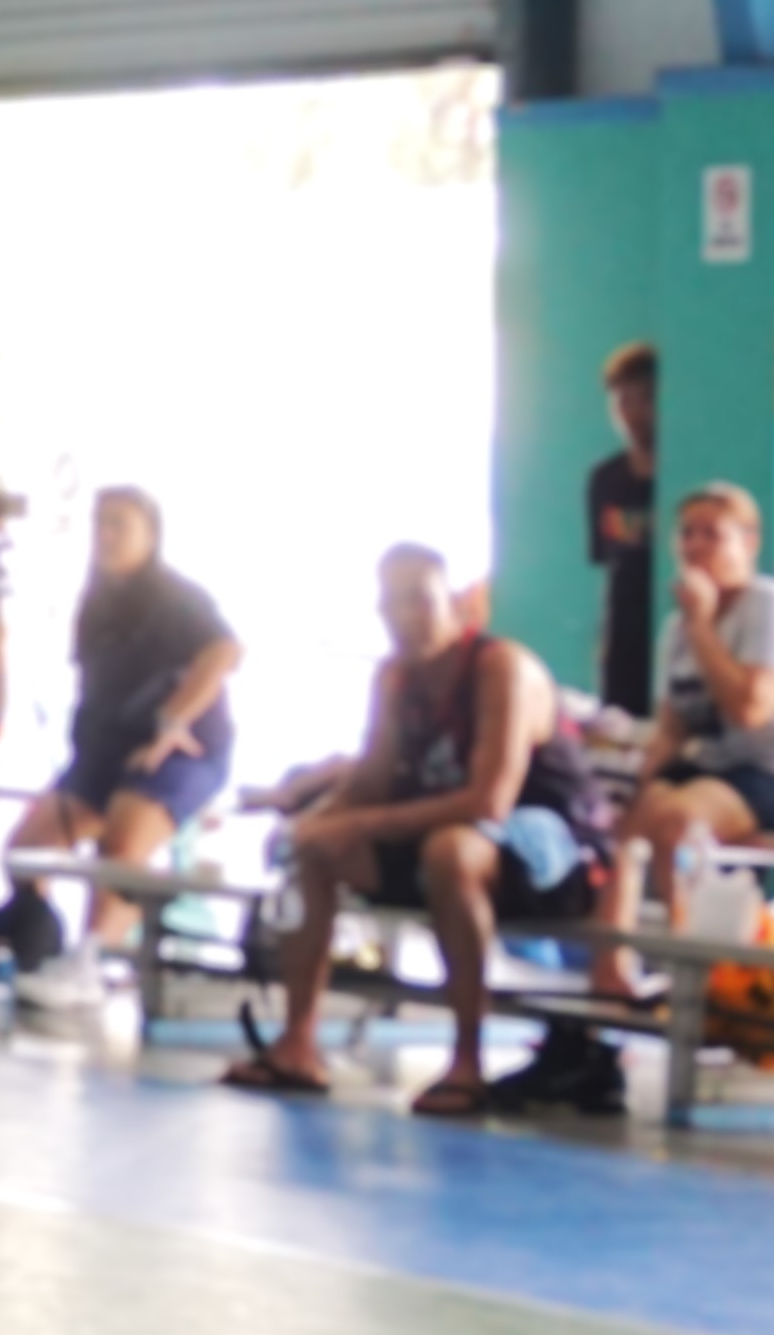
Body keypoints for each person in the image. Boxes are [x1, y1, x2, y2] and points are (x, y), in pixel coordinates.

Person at [228, 547, 609, 1115]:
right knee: (323, 851)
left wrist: (355, 820)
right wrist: (314, 824)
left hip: (554, 845)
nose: (404, 617)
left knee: (450, 851)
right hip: (446, 831)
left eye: (420, 601)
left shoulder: (501, 668)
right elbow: (373, 779)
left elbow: (489, 801)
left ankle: (467, 1061)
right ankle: (297, 1044)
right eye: (391, 604)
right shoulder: (395, 677)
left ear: (458, 604)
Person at [0, 489, 237, 1003]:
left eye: (120, 525)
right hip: (107, 753)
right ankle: (36, 945)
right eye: (100, 523)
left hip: (181, 754)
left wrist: (174, 720)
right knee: (26, 852)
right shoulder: (96, 600)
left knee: (122, 848)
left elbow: (225, 651)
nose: (105, 535)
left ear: (150, 534)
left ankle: (94, 962)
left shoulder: (177, 597)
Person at [594, 479, 774, 999]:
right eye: (686, 535)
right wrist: (639, 786)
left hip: (758, 771)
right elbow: (672, 727)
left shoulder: (761, 606)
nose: (694, 548)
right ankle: (611, 974)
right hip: (703, 768)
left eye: (711, 535)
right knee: (620, 830)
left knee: (676, 823)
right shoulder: (675, 627)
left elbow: (749, 708)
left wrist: (702, 625)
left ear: (748, 543)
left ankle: (692, 978)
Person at [588, 343, 659, 745]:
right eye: (622, 401)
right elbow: (607, 568)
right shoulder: (605, 479)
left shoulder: (682, 473)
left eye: (645, 398)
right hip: (623, 635)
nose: (633, 413)